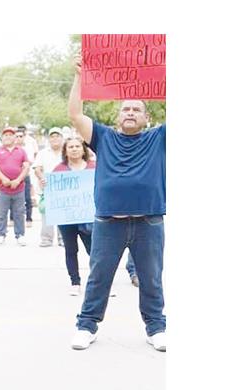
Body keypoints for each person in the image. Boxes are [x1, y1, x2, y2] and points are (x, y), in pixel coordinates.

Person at [68, 55, 166, 352]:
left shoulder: (159, 137)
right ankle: (86, 326)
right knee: (99, 277)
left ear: (146, 117)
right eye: (126, 108)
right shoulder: (103, 136)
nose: (131, 112)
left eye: (137, 109)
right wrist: (79, 77)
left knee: (151, 279)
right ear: (118, 116)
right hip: (109, 222)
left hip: (148, 222)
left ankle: (156, 328)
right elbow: (75, 115)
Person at [53, 136, 96, 296]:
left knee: (94, 251)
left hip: (89, 217)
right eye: (70, 147)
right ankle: (75, 282)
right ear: (65, 151)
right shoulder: (59, 170)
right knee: (71, 250)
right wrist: (46, 185)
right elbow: (53, 191)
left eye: (77, 146)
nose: (74, 149)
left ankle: (100, 283)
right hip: (67, 219)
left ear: (83, 149)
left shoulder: (94, 167)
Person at [0, 127, 30, 246]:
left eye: (10, 135)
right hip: (3, 188)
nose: (8, 137)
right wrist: (3, 178)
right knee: (1, 213)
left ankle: (20, 235)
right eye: (5, 135)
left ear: (15, 137)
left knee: (19, 213)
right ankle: (0, 235)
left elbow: (26, 167)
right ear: (2, 137)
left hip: (19, 188)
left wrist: (18, 180)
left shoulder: (21, 151)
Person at [33, 127, 65, 247]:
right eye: (52, 136)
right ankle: (46, 239)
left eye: (57, 136)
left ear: (62, 138)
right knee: (46, 214)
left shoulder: (66, 151)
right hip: (47, 188)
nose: (55, 138)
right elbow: (37, 168)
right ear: (49, 139)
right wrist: (41, 178)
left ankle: (62, 238)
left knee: (63, 215)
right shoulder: (43, 153)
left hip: (64, 188)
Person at [16, 126, 37, 228]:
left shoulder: (28, 146)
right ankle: (13, 218)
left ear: (24, 136)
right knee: (14, 199)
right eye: (17, 136)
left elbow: (30, 160)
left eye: (21, 136)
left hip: (26, 174)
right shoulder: (12, 148)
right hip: (14, 176)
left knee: (27, 197)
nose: (19, 138)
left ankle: (29, 218)